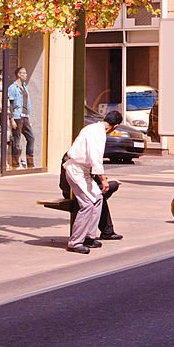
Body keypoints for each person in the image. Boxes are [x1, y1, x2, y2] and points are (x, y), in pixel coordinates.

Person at [62, 109, 123, 254]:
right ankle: (75, 242)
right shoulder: (99, 134)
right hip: (76, 170)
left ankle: (89, 236)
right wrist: (103, 180)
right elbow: (96, 158)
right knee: (87, 204)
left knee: (97, 198)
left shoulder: (91, 128)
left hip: (82, 170)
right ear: (115, 127)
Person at [59, 156, 123, 241]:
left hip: (77, 189)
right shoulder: (81, 157)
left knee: (100, 196)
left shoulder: (74, 155)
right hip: (76, 191)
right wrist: (104, 181)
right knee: (100, 194)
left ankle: (105, 232)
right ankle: (87, 237)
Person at [8, 66, 35, 168]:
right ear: (18, 74)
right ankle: (15, 163)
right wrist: (12, 119)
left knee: (31, 138)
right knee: (16, 140)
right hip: (17, 116)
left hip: (25, 116)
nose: (26, 75)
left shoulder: (25, 87)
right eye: (23, 73)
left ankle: (30, 162)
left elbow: (27, 103)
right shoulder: (12, 88)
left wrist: (29, 117)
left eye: (26, 73)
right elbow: (10, 104)